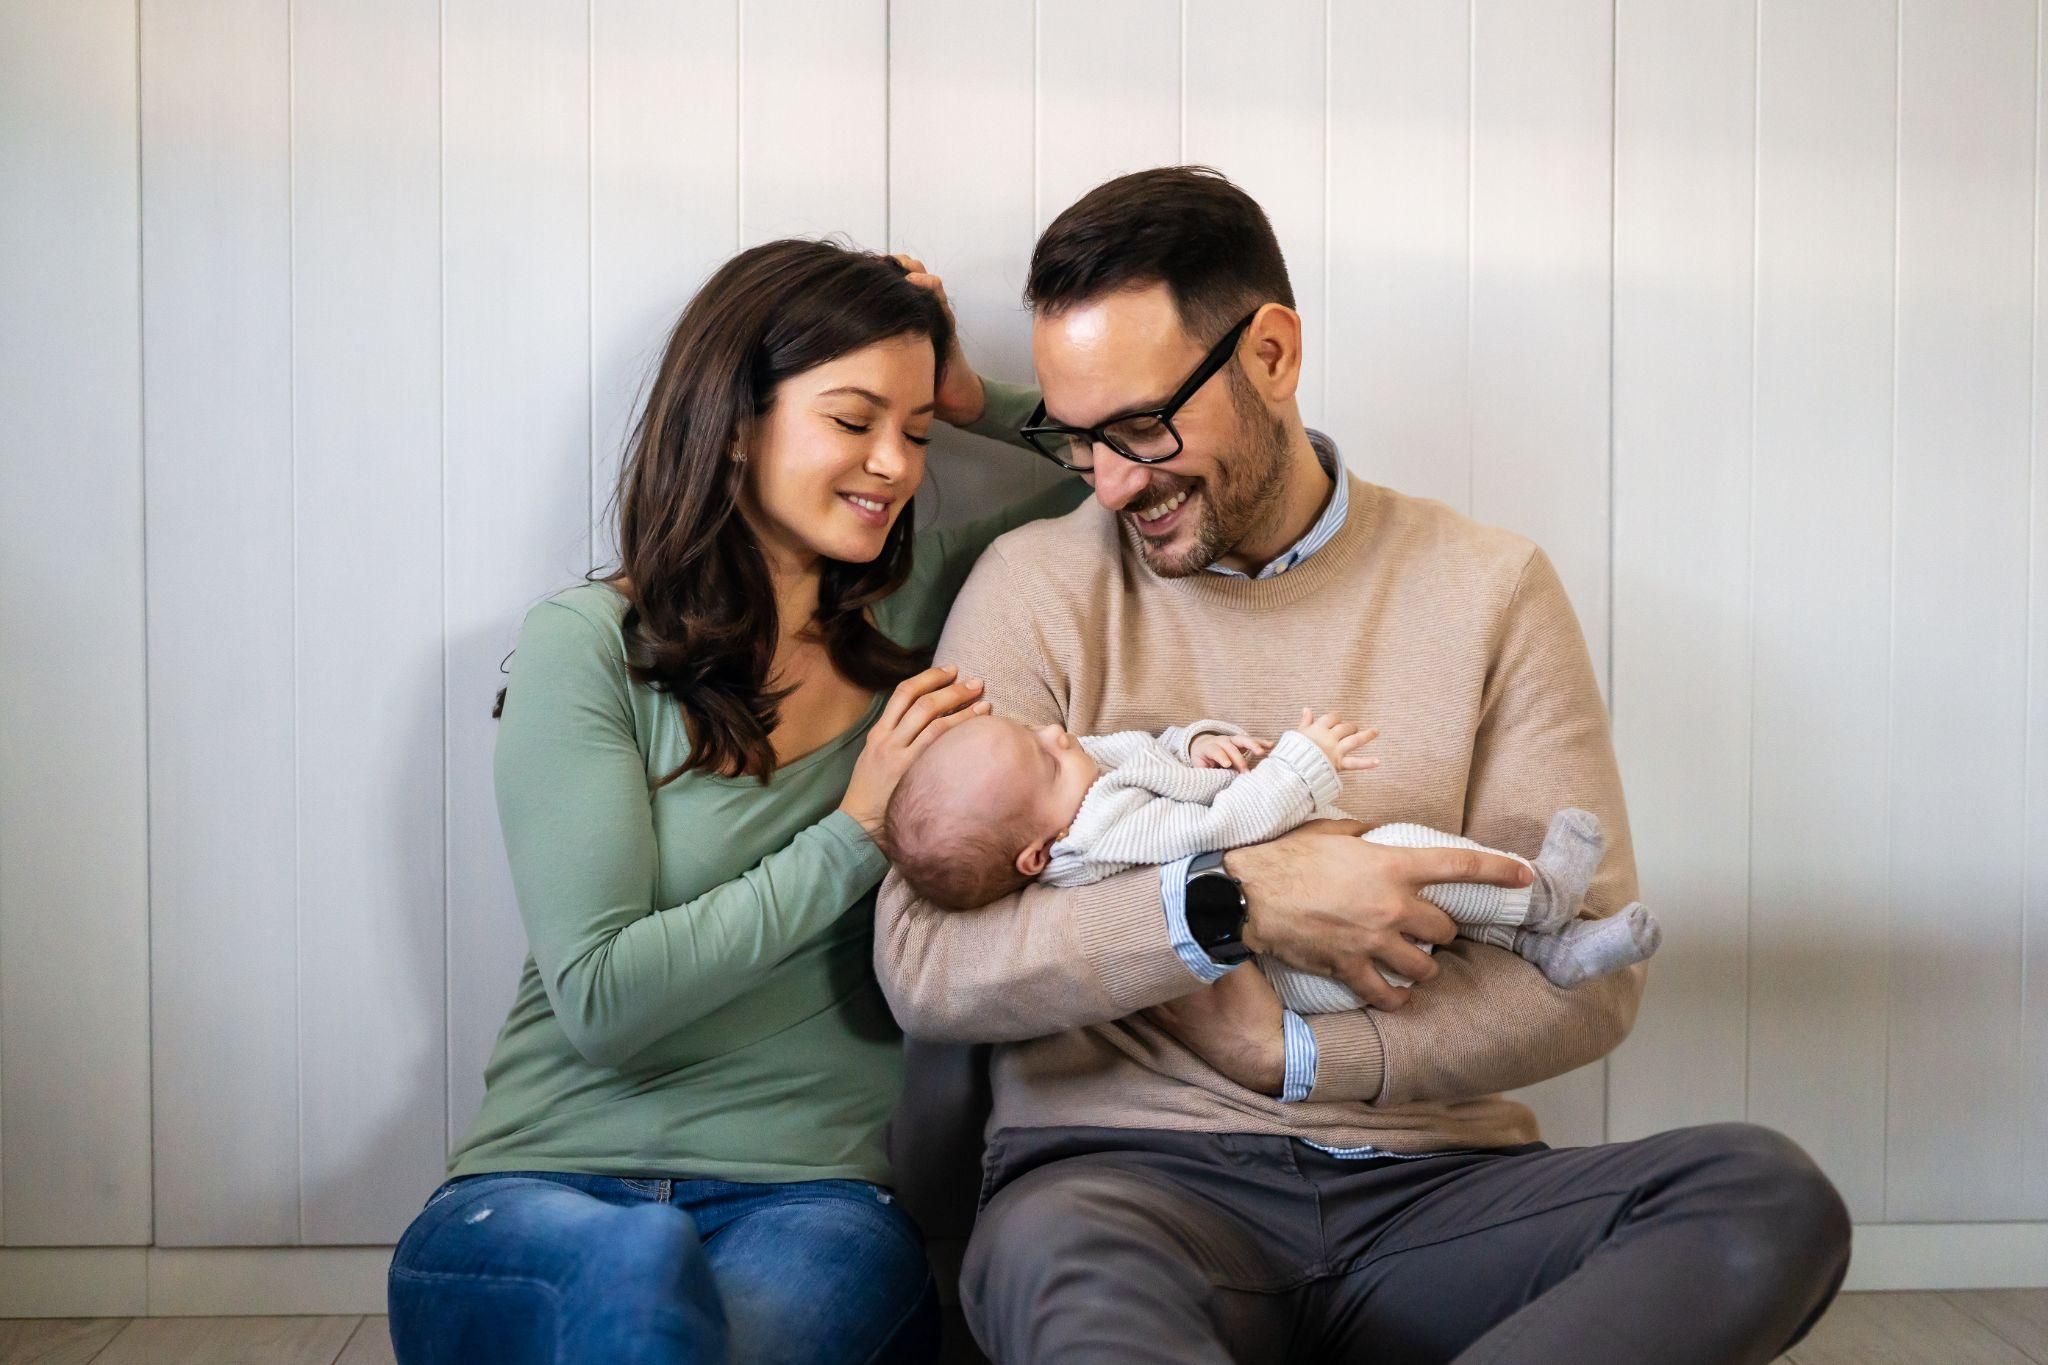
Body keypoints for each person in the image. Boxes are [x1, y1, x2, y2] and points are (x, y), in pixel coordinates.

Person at [873, 167, 1850, 1364]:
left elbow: (1588, 967)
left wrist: (1290, 1054)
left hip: (1435, 1196)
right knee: (1050, 1263)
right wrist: (1224, 901)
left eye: (1138, 427)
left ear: (1270, 356)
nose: (1113, 481)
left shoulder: (1486, 586)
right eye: (1076, 441)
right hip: (1128, 1189)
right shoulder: (1034, 587)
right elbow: (925, 961)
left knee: (1761, 1198)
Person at [385, 239, 1083, 1365]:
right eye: (853, 420)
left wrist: (963, 388)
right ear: (735, 421)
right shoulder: (590, 646)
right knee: (630, 1274)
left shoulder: (923, 615)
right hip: (541, 1188)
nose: (896, 465)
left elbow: (1112, 462)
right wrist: (856, 830)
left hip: (807, 1200)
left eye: (915, 431)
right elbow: (605, 1000)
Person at [875, 706, 1659, 1010]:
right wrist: (1301, 762)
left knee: (1432, 899)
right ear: (1036, 854)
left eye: (1033, 729)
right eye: (1043, 758)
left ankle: (1542, 945)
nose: (1057, 734)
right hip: (1304, 971)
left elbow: (1144, 755)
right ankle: (1545, 899)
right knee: (1409, 855)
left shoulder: (1075, 784)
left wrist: (1195, 742)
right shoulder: (1106, 832)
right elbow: (1228, 826)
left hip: (1315, 949)